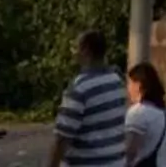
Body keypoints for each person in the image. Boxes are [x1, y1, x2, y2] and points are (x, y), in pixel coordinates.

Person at [44, 33, 127, 167]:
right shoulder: (117, 81)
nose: (74, 53)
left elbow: (62, 137)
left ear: (85, 50)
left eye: (76, 48)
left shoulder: (79, 88)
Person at [124, 62, 166, 167]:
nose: (128, 89)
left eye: (129, 83)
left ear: (138, 85)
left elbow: (129, 152)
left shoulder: (137, 113)